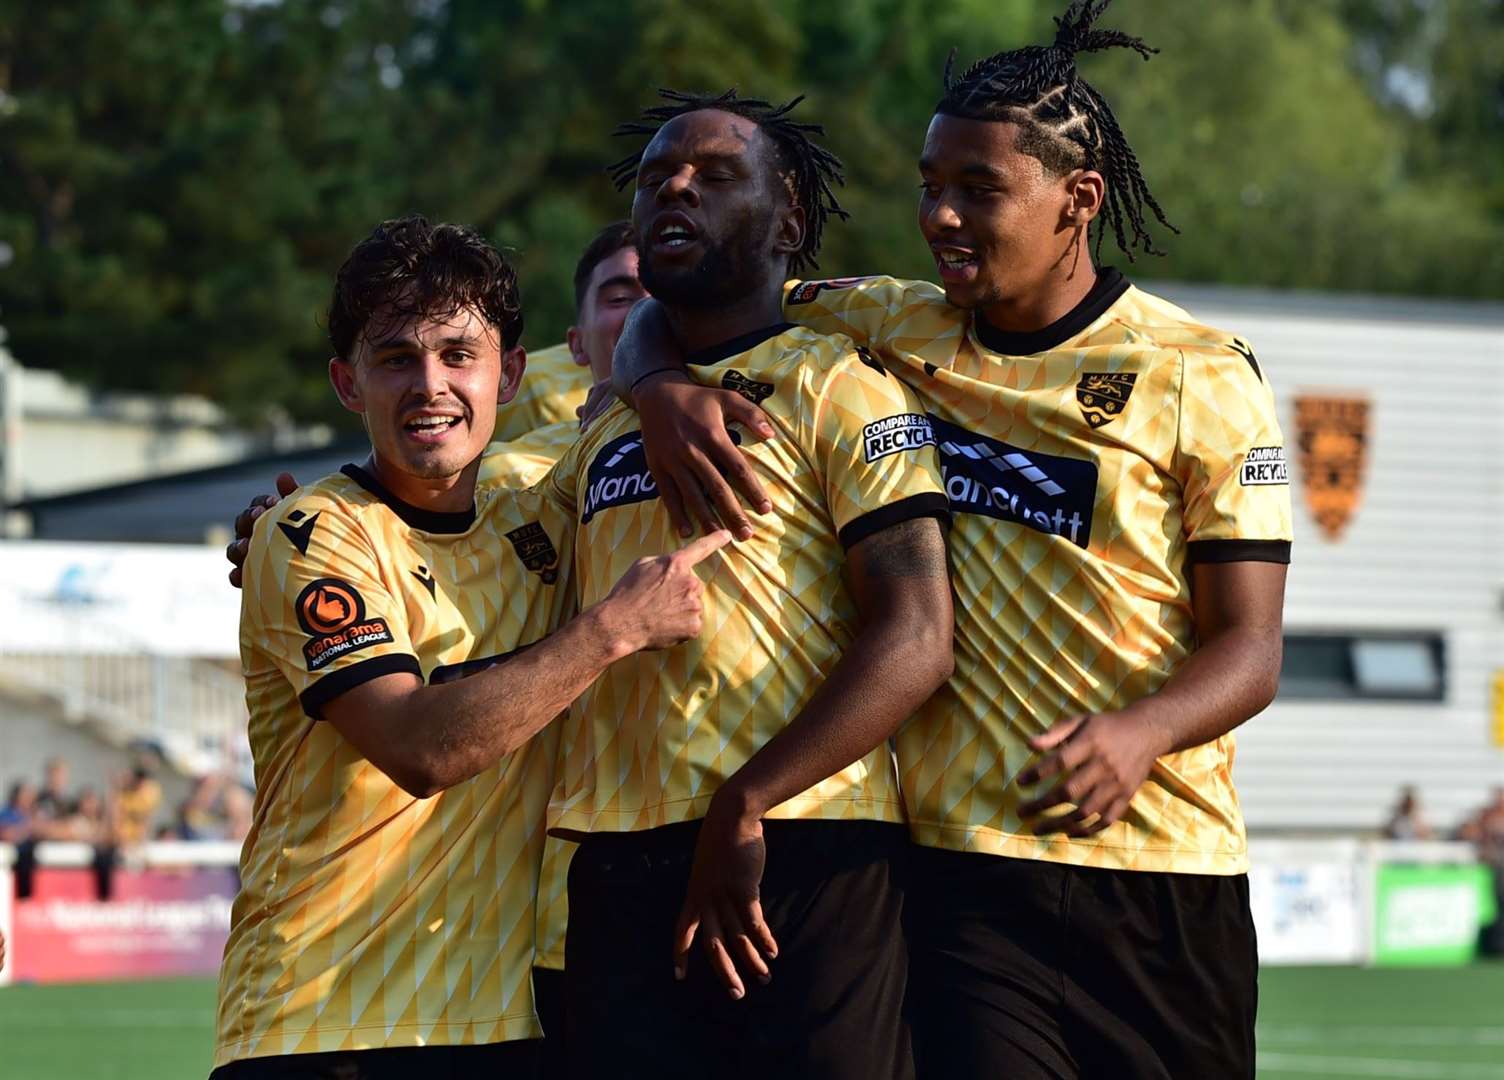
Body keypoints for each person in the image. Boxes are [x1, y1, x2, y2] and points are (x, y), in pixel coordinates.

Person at [616, 4, 1291, 1077]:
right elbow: (690, 294)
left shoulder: (1198, 373)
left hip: (1163, 871)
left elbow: (1250, 649)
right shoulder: (890, 324)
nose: (938, 217)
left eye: (978, 190)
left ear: (1078, 200)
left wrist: (1141, 732)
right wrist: (655, 389)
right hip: (962, 872)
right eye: (930, 184)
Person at [212, 215, 724, 1079]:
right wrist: (613, 628)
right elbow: (421, 747)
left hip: (498, 1027)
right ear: (348, 382)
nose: (430, 386)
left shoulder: (540, 508)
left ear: (511, 374)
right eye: (395, 358)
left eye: (458, 355)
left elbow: (661, 337)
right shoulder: (312, 533)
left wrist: (666, 376)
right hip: (322, 1026)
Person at [547, 89, 953, 1080]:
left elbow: (916, 636)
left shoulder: (844, 387)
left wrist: (750, 800)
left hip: (802, 843)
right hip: (616, 857)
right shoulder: (602, 426)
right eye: (653, 180)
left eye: (715, 175)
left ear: (789, 221)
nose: (673, 187)